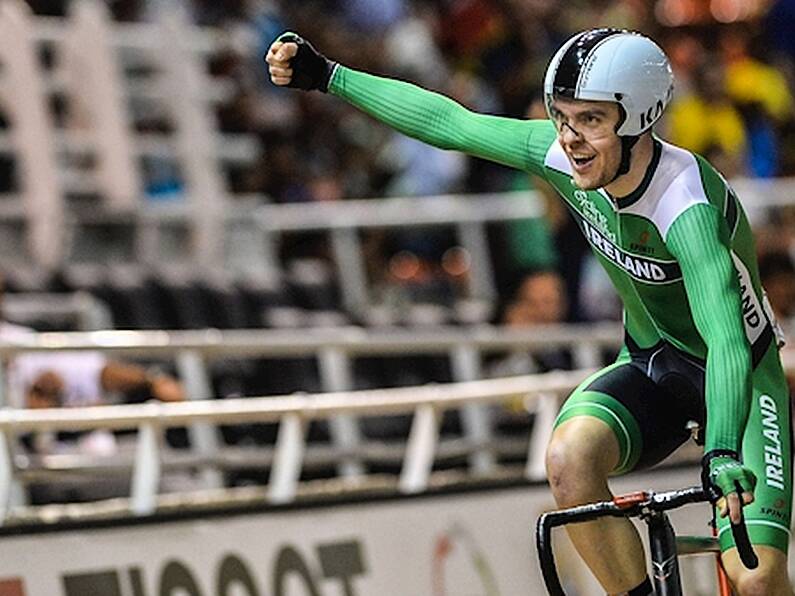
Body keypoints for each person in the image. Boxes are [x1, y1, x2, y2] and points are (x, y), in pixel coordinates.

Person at [265, 28, 792, 595]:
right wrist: (331, 77)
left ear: (640, 119)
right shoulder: (563, 158)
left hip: (739, 378)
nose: (570, 139)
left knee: (756, 581)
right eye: (561, 117)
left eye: (590, 120)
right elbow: (449, 124)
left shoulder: (683, 204)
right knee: (568, 460)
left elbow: (728, 343)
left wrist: (718, 449)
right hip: (652, 363)